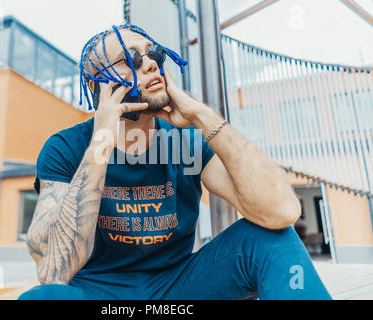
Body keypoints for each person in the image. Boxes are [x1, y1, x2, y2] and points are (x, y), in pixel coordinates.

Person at [19, 24, 331, 300]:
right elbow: (53, 268)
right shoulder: (65, 147)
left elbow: (281, 211)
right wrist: (101, 142)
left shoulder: (188, 140)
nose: (150, 63)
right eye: (132, 59)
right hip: (98, 291)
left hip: (179, 290)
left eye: (153, 53)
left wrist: (201, 115)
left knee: (269, 236)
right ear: (96, 86)